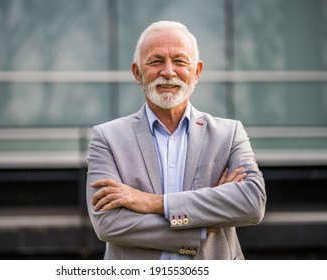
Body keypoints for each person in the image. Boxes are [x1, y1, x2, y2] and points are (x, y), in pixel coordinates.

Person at [86, 21, 266, 260]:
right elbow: (108, 224)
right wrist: (203, 227)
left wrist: (153, 203)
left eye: (180, 61)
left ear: (197, 72)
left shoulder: (229, 133)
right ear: (137, 73)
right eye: (156, 61)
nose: (168, 71)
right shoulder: (107, 138)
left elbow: (252, 202)